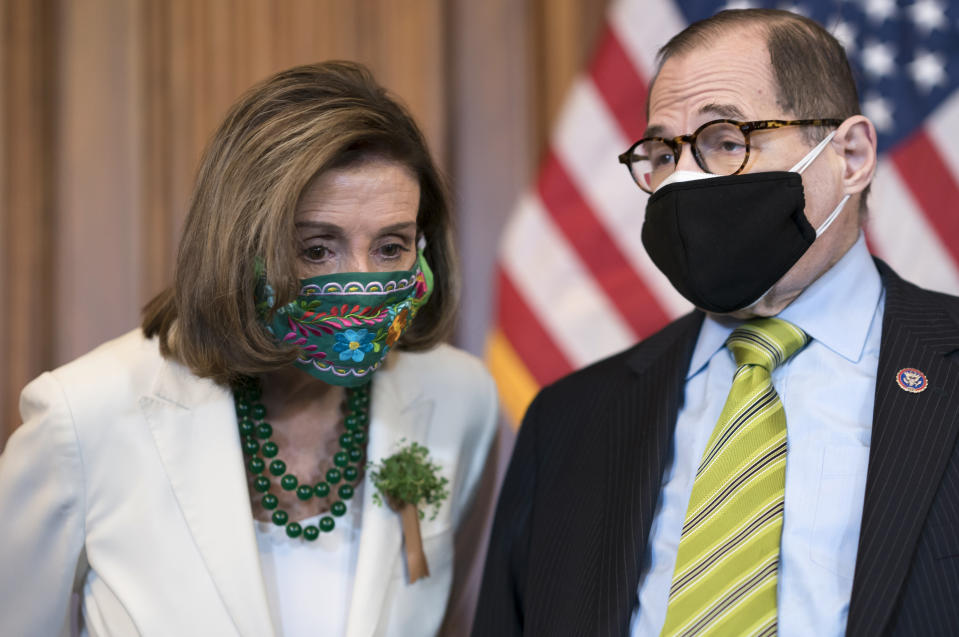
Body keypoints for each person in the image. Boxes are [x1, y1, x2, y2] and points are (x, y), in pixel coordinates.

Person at [474, 9, 959, 637]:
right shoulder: (567, 421)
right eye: (661, 153)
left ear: (852, 155)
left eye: (726, 140)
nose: (683, 180)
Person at [0, 61, 498, 637]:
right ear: (240, 243)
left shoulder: (462, 399)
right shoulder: (81, 416)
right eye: (317, 249)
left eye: (391, 246)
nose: (361, 283)